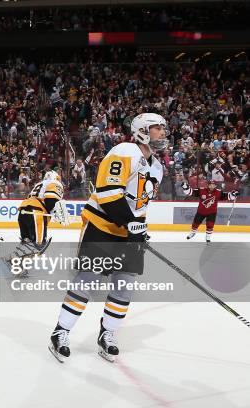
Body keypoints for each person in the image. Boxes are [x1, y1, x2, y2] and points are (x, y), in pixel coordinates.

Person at [49, 113, 168, 363]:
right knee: (87, 280)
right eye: (157, 128)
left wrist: (139, 228)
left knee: (124, 285)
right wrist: (131, 223)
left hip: (128, 231)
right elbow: (108, 192)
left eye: (163, 128)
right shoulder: (124, 151)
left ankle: (108, 333)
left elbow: (139, 205)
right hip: (102, 225)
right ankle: (60, 332)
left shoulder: (157, 167)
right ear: (143, 131)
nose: (162, 133)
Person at [17, 170, 66, 249]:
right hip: (36, 213)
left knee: (27, 241)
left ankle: (19, 255)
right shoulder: (55, 183)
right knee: (39, 244)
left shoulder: (39, 184)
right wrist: (56, 212)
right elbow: (50, 200)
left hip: (22, 212)